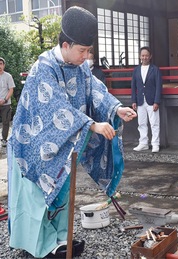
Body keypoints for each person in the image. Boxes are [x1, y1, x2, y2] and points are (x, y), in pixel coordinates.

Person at [7, 6, 137, 258]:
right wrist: (91, 125)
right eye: (82, 51)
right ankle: (36, 246)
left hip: (64, 146)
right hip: (32, 147)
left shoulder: (80, 67)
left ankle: (58, 240)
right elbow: (54, 107)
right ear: (65, 44)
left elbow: (96, 92)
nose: (86, 57)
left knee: (61, 193)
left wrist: (116, 108)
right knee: (37, 197)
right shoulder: (43, 67)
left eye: (89, 51)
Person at [131, 46, 162, 153]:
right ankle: (143, 143)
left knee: (154, 123)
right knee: (141, 123)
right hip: (140, 100)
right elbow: (133, 86)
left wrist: (157, 101)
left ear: (150, 57)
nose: (144, 57)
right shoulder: (136, 70)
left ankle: (155, 144)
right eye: (143, 55)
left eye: (146, 55)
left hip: (152, 100)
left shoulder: (155, 69)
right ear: (140, 56)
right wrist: (133, 100)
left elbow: (158, 86)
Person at [0, 57, 15, 147]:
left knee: (6, 122)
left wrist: (5, 99)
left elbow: (11, 89)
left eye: (1, 64)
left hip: (6, 103)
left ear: (3, 65)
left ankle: (4, 139)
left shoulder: (8, 76)